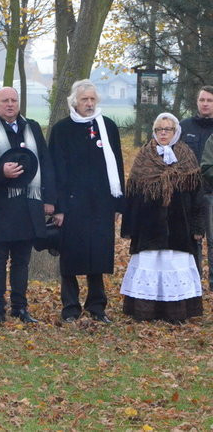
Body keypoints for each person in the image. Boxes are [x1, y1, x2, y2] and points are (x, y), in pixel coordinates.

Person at [0, 87, 55, 324]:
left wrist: (50, 200)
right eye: (4, 101)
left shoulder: (33, 127)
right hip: (1, 205)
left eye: (14, 100)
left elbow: (45, 163)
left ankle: (20, 307)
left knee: (22, 260)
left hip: (29, 204)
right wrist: (0, 171)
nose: (10, 104)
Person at [49, 79, 124, 323]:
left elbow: (118, 164)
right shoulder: (62, 129)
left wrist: (117, 203)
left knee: (99, 254)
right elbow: (55, 170)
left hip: (101, 202)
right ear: (75, 102)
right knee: (71, 255)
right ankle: (70, 307)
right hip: (71, 204)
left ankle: (97, 306)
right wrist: (58, 206)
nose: (89, 104)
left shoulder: (108, 127)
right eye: (84, 99)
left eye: (92, 99)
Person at [120, 113, 204, 323]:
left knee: (173, 266)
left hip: (179, 227)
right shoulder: (144, 156)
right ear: (154, 132)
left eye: (168, 129)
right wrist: (130, 228)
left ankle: (174, 313)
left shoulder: (187, 157)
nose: (163, 133)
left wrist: (197, 226)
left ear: (176, 132)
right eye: (159, 129)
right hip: (149, 228)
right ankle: (146, 311)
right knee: (150, 265)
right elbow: (132, 195)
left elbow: (197, 197)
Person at [179, 86, 213, 286]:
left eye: (209, 100)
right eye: (202, 100)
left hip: (211, 192)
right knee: (194, 238)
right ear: (197, 102)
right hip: (189, 193)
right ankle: (194, 280)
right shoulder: (184, 127)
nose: (205, 104)